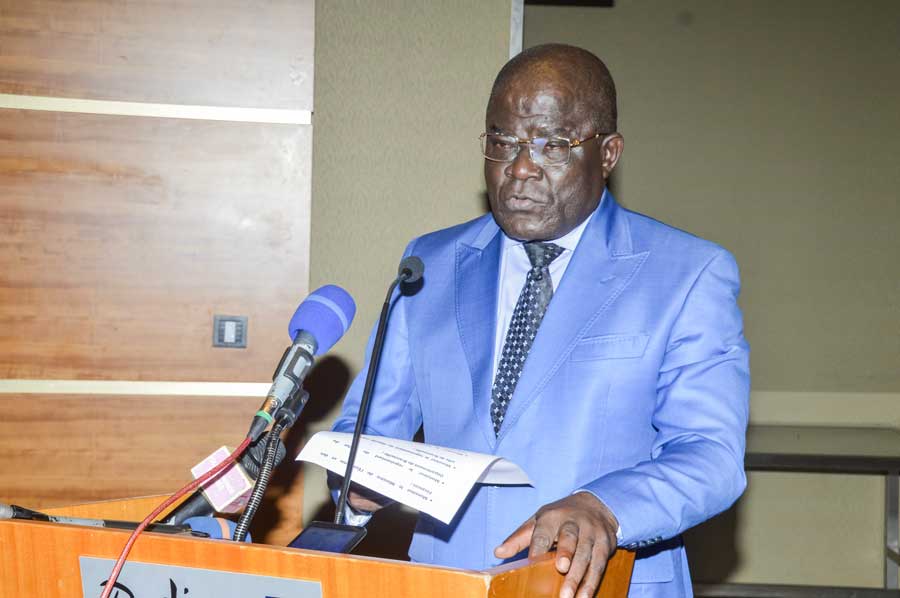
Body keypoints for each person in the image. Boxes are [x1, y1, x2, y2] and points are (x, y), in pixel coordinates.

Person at [331, 43, 749, 598]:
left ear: (608, 153)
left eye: (551, 145)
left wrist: (605, 506)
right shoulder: (429, 262)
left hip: (604, 585)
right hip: (445, 583)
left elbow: (710, 456)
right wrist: (356, 485)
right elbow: (365, 432)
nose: (520, 168)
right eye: (502, 142)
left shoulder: (687, 273)